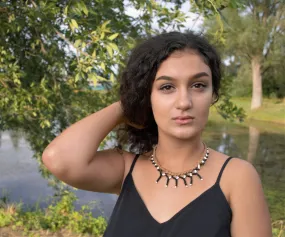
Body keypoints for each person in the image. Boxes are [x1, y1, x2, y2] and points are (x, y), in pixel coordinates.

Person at [42, 32, 272, 237]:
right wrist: (127, 106)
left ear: (213, 94)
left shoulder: (237, 177)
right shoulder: (126, 169)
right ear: (147, 96)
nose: (184, 102)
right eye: (166, 87)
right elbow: (58, 159)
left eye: (199, 85)